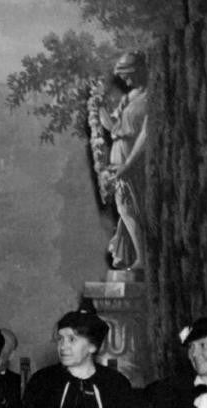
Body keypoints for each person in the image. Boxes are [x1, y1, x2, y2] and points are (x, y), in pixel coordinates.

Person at [90, 52, 148, 270]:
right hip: (119, 158)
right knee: (125, 208)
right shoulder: (129, 97)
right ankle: (138, 257)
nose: (125, 81)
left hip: (133, 160)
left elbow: (145, 134)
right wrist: (99, 107)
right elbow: (112, 126)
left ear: (140, 71)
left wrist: (129, 164)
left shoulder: (149, 98)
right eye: (123, 76)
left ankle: (143, 259)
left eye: (128, 75)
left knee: (131, 209)